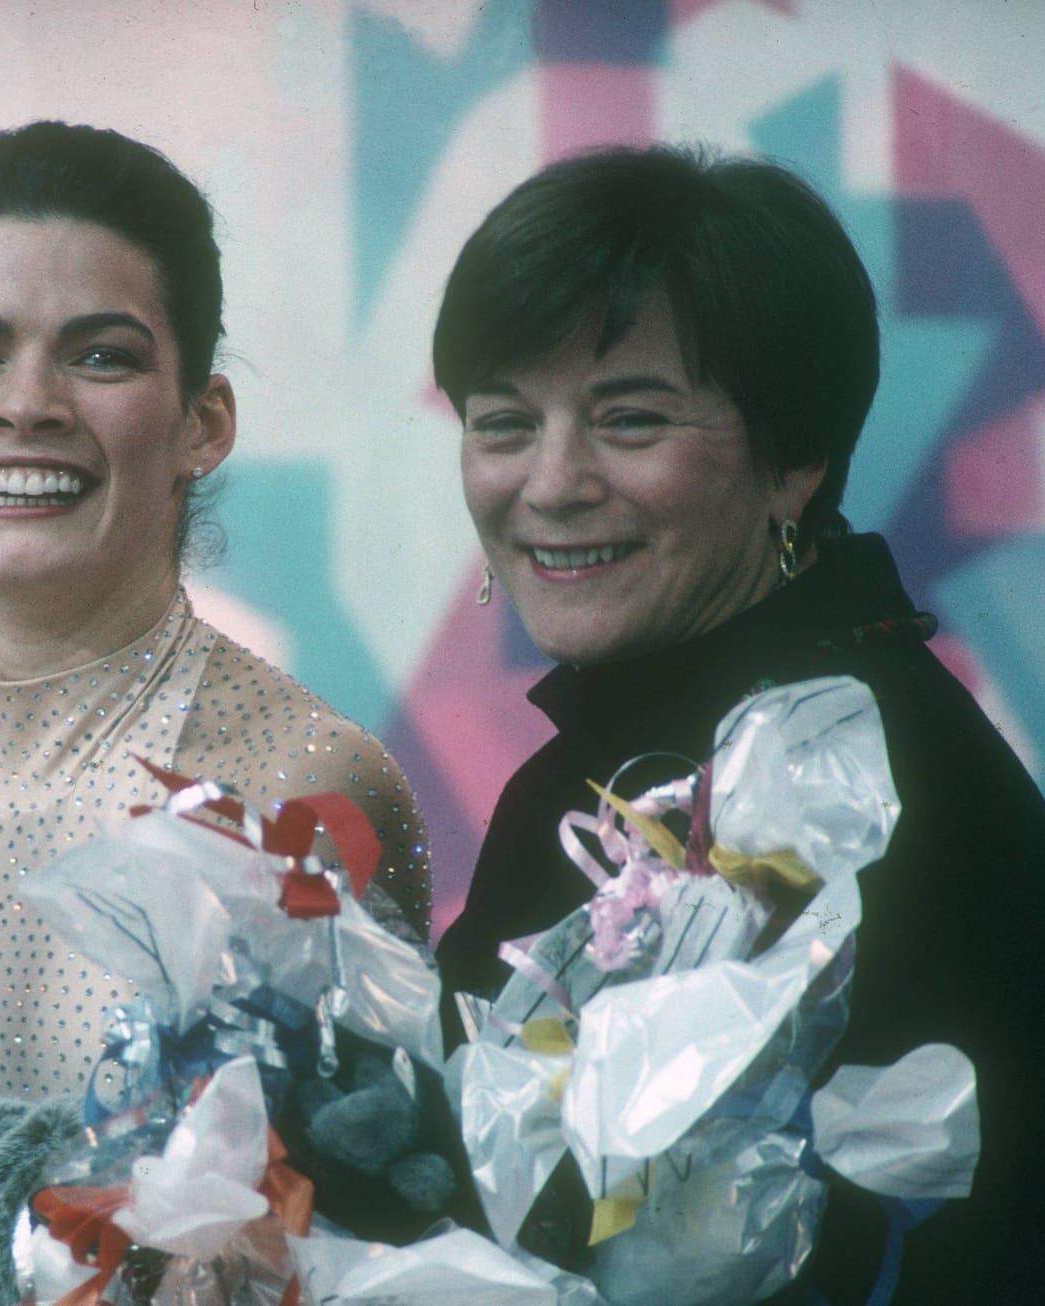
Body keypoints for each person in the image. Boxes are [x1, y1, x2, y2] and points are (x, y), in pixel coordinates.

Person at [429, 145, 1045, 1303]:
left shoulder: (882, 785)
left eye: (629, 419)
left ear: (795, 458)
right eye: (504, 423)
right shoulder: (577, 780)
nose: (551, 482)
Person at [0, 119, 433, 1101]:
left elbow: (364, 1208)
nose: (27, 403)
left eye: (102, 358)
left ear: (204, 421)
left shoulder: (303, 784)